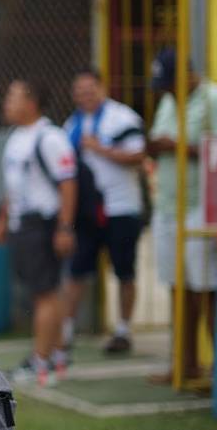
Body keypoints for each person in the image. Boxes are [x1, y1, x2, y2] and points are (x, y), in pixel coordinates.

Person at [0, 79, 77, 387]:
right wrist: (3, 219)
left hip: (42, 225)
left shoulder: (51, 137)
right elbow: (13, 186)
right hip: (22, 226)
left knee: (45, 293)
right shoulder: (16, 138)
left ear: (31, 103)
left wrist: (65, 227)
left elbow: (68, 183)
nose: (7, 102)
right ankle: (54, 355)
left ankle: (41, 362)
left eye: (13, 97)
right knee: (43, 292)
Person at [147, 48, 217, 382]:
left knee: (206, 291)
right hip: (167, 206)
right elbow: (156, 142)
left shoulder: (215, 99)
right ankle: (185, 364)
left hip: (201, 207)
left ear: (188, 74)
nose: (166, 90)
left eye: (169, 83)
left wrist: (176, 146)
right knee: (178, 289)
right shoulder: (168, 100)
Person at [61, 68, 148, 355]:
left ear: (101, 88)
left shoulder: (122, 117)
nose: (84, 96)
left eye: (90, 90)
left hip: (121, 207)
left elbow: (138, 155)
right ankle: (66, 331)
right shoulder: (71, 124)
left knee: (124, 271)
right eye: (79, 91)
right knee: (77, 271)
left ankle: (123, 330)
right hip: (87, 213)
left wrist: (101, 149)